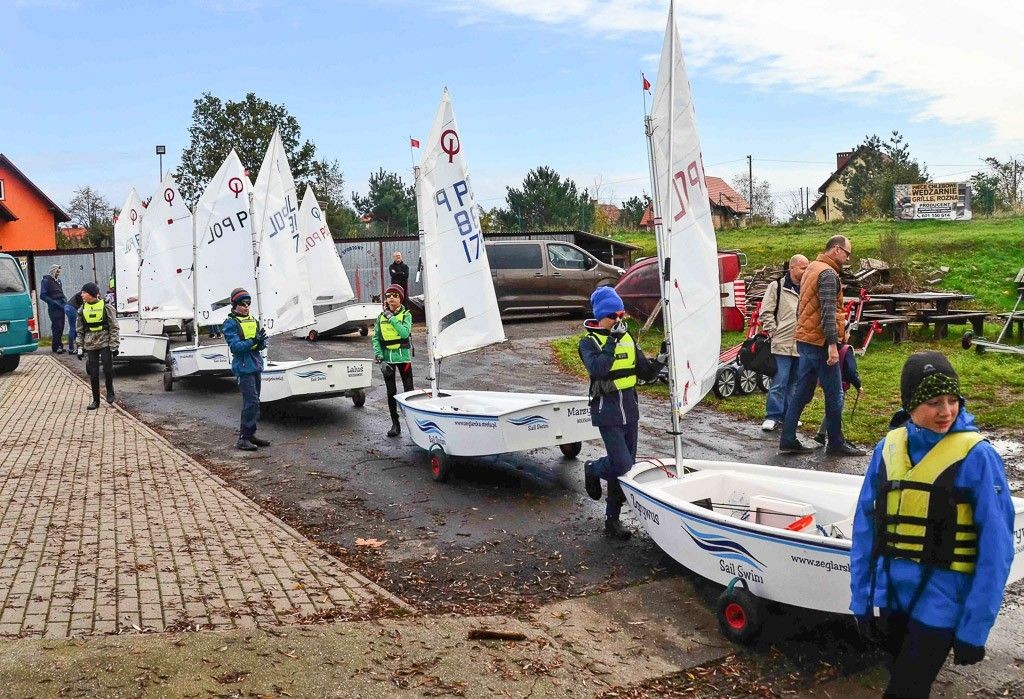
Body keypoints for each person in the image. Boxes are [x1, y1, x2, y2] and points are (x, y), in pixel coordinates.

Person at [849, 351, 1014, 699]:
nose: (946, 412)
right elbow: (865, 530)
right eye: (934, 402)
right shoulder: (887, 449)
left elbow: (997, 550)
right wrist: (861, 601)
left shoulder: (978, 456)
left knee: (903, 691)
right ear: (910, 405)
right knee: (907, 684)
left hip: (942, 604)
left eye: (953, 400)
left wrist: (974, 628)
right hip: (891, 598)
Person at [579, 286, 666, 541]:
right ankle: (592, 468)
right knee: (621, 463)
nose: (619, 320)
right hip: (607, 412)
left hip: (630, 410)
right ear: (600, 317)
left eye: (621, 314)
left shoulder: (627, 338)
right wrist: (612, 341)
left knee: (624, 470)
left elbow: (645, 372)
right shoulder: (588, 342)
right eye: (613, 316)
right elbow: (599, 369)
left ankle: (612, 520)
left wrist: (661, 359)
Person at [779, 235, 865, 457]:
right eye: (847, 253)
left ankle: (787, 439)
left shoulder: (812, 268)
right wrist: (832, 345)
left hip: (805, 340)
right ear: (836, 249)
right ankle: (835, 443)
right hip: (821, 343)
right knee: (835, 393)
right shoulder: (827, 274)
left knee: (802, 392)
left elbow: (802, 306)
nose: (848, 258)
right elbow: (828, 311)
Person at [759, 254, 808, 431]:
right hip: (782, 342)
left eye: (807, 267)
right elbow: (766, 311)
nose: (806, 271)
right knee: (780, 381)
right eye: (803, 267)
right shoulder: (777, 286)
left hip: (801, 344)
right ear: (792, 268)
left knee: (794, 383)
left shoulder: (807, 287)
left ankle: (790, 416)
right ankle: (772, 416)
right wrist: (774, 331)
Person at [222, 288, 270, 451]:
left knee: (255, 403)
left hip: (255, 364)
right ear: (235, 305)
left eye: (248, 303)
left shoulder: (253, 320)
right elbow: (235, 347)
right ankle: (243, 439)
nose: (246, 307)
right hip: (243, 367)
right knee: (251, 402)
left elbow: (257, 345)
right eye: (243, 304)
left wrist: (261, 342)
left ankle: (250, 434)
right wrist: (253, 341)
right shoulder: (230, 323)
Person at [372, 284, 413, 438]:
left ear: (400, 298)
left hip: (403, 358)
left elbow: (404, 333)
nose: (391, 298)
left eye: (395, 296)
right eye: (388, 296)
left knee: (409, 391)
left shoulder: (406, 315)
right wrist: (379, 357)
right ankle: (395, 424)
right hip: (387, 359)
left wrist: (391, 318)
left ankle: (413, 424)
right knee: (391, 392)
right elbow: (376, 338)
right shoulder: (380, 317)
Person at [75, 282, 119, 410]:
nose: (82, 295)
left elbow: (114, 327)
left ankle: (110, 392)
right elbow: (80, 330)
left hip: (105, 342)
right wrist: (79, 347)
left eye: (84, 292)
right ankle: (95, 400)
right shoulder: (82, 310)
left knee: (107, 369)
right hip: (90, 344)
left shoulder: (106, 307)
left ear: (92, 294)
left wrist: (114, 345)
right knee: (93, 373)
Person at [814, 334, 862, 444]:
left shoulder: (825, 347)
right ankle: (836, 438)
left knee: (831, 407)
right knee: (836, 409)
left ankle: (821, 433)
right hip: (840, 384)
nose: (849, 334)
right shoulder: (846, 350)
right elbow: (850, 371)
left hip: (825, 381)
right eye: (848, 332)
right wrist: (858, 385)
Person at [40, 264, 68, 354]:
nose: (58, 273)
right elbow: (42, 295)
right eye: (57, 271)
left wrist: (64, 299)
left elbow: (60, 292)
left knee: (61, 326)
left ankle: (59, 345)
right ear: (53, 271)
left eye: (59, 272)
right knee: (57, 326)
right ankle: (56, 346)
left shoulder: (58, 281)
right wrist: (53, 302)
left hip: (61, 306)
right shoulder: (46, 281)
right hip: (53, 307)